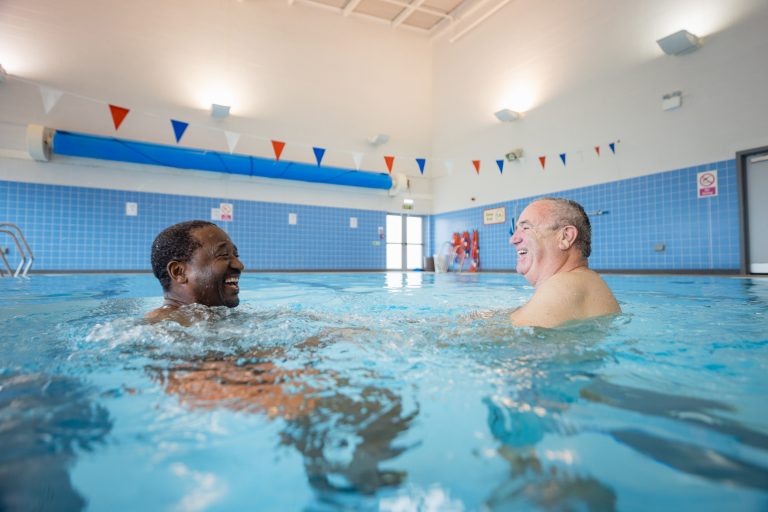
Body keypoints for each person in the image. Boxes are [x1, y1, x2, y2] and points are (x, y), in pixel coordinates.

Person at [509, 197, 619, 327]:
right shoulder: (580, 283)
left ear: (565, 237)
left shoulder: (563, 287)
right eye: (516, 229)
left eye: (525, 228)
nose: (513, 240)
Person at [146, 220, 244, 323]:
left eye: (236, 255)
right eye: (223, 255)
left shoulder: (212, 318)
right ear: (179, 272)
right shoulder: (164, 326)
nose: (240, 265)